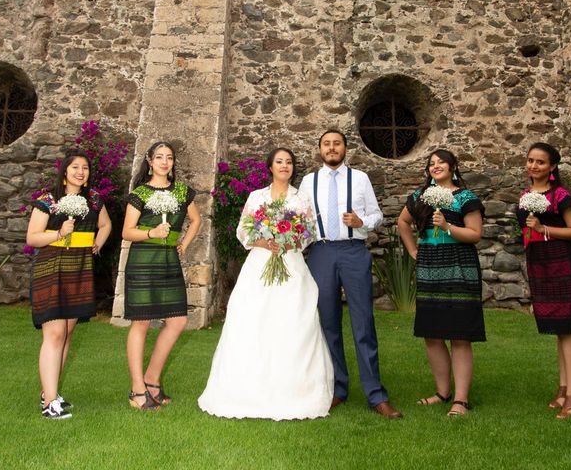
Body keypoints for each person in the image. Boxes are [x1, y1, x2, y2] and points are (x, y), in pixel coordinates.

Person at [198, 148, 334, 420]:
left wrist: (289, 240)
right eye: (279, 162)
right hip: (260, 264)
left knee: (293, 322)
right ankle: (245, 390)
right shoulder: (256, 196)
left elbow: (309, 232)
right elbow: (243, 230)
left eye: (289, 162)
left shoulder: (301, 197)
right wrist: (262, 241)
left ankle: (298, 392)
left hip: (291, 264)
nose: (285, 166)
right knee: (253, 321)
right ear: (270, 167)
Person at [299, 130, 402, 419]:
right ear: (319, 149)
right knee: (328, 323)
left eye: (337, 144)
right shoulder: (309, 181)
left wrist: (361, 221)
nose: (332, 148)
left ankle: (375, 394)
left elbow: (377, 215)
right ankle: (337, 389)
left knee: (363, 323)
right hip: (320, 253)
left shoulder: (360, 179)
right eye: (326, 144)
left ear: (346, 148)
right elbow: (301, 219)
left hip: (354, 252)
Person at [398, 149, 485, 417]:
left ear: (453, 167)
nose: (436, 166)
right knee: (432, 334)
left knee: (459, 335)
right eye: (431, 163)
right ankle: (442, 392)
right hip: (430, 267)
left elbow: (475, 234)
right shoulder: (419, 196)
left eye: (441, 162)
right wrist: (413, 250)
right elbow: (402, 221)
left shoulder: (466, 198)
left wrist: (447, 226)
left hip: (460, 266)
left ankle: (461, 399)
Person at [27, 149, 112, 419]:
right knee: (53, 334)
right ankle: (49, 402)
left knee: (67, 335)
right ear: (65, 170)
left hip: (79, 270)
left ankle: (49, 392)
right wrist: (58, 233)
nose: (80, 172)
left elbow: (106, 224)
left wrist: (97, 243)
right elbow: (32, 238)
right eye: (75, 167)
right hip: (51, 269)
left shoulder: (94, 199)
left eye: (85, 168)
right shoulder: (48, 200)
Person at [122, 141, 201, 410]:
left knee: (177, 320)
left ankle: (152, 380)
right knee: (141, 322)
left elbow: (196, 220)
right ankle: (137, 390)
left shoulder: (182, 191)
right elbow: (127, 231)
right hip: (143, 260)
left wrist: (183, 244)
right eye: (159, 157)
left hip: (169, 261)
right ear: (150, 161)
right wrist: (151, 233)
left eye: (169, 157)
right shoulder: (140, 193)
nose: (164, 162)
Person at [516, 142, 571, 419]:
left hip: (563, 264)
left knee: (567, 328)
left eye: (540, 162)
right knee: (558, 329)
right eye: (530, 160)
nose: (534, 166)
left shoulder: (561, 196)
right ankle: (563, 387)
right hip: (540, 264)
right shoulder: (525, 195)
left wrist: (544, 228)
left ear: (552, 166)